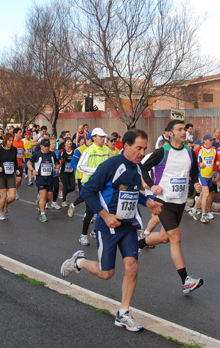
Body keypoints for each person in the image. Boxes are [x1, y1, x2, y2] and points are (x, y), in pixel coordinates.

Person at [60, 129, 163, 332]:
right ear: (126, 146)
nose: (142, 152)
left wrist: (147, 202)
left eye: (145, 148)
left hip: (128, 226)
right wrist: (105, 216)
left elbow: (132, 193)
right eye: (138, 148)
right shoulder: (110, 166)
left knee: (132, 267)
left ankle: (123, 313)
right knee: (107, 273)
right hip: (108, 227)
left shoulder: (136, 167)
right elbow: (88, 190)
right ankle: (77, 261)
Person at [139, 120, 204, 294]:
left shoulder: (190, 152)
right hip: (163, 200)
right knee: (175, 237)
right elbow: (143, 167)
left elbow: (194, 172)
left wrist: (196, 184)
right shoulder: (162, 152)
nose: (184, 132)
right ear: (169, 133)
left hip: (180, 201)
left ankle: (137, 243)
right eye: (179, 129)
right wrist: (152, 185)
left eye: (184, 129)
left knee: (164, 237)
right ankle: (185, 281)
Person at [76, 128, 112, 246]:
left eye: (104, 136)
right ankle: (83, 235)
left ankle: (94, 231)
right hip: (89, 184)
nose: (103, 139)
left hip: (103, 185)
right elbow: (80, 166)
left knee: (103, 209)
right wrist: (96, 171)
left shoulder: (107, 150)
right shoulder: (89, 150)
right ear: (94, 138)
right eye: (100, 136)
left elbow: (110, 165)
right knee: (90, 211)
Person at [190, 134, 220, 223]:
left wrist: (218, 163)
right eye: (210, 140)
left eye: (212, 140)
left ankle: (194, 209)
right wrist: (199, 164)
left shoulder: (214, 150)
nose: (212, 141)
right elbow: (192, 159)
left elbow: (216, 160)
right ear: (205, 141)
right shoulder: (199, 150)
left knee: (202, 195)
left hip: (209, 175)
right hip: (202, 175)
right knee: (206, 194)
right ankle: (204, 214)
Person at [0, 132, 21, 220]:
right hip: (1, 175)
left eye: (12, 141)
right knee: (3, 196)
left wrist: (17, 169)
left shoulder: (14, 149)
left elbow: (15, 161)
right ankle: (1, 212)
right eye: (9, 141)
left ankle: (6, 204)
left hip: (10, 175)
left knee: (12, 197)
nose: (11, 142)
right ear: (5, 141)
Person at [28, 139, 59, 222]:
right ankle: (42, 214)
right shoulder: (37, 154)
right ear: (41, 146)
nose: (46, 148)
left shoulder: (52, 155)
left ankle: (39, 202)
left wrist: (56, 168)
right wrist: (32, 170)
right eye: (45, 146)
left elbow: (57, 163)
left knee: (49, 197)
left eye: (48, 146)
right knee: (44, 195)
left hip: (50, 178)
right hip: (40, 178)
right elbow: (29, 163)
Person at [59, 138, 75, 207]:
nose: (69, 142)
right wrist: (62, 161)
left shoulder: (74, 151)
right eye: (68, 141)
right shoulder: (62, 151)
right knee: (65, 186)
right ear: (65, 143)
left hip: (71, 172)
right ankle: (64, 201)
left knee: (72, 187)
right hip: (63, 171)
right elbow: (58, 160)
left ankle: (63, 193)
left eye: (70, 141)